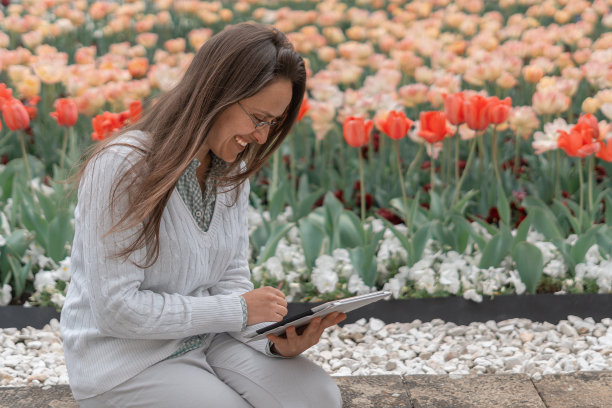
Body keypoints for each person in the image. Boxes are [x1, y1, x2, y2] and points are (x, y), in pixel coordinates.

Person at [60, 23, 345, 408]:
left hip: (211, 341)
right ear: (217, 94)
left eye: (273, 123)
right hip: (127, 360)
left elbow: (230, 279)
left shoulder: (229, 173)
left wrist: (276, 342)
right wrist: (239, 309)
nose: (262, 137)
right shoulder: (122, 167)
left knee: (318, 397)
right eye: (259, 118)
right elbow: (117, 311)